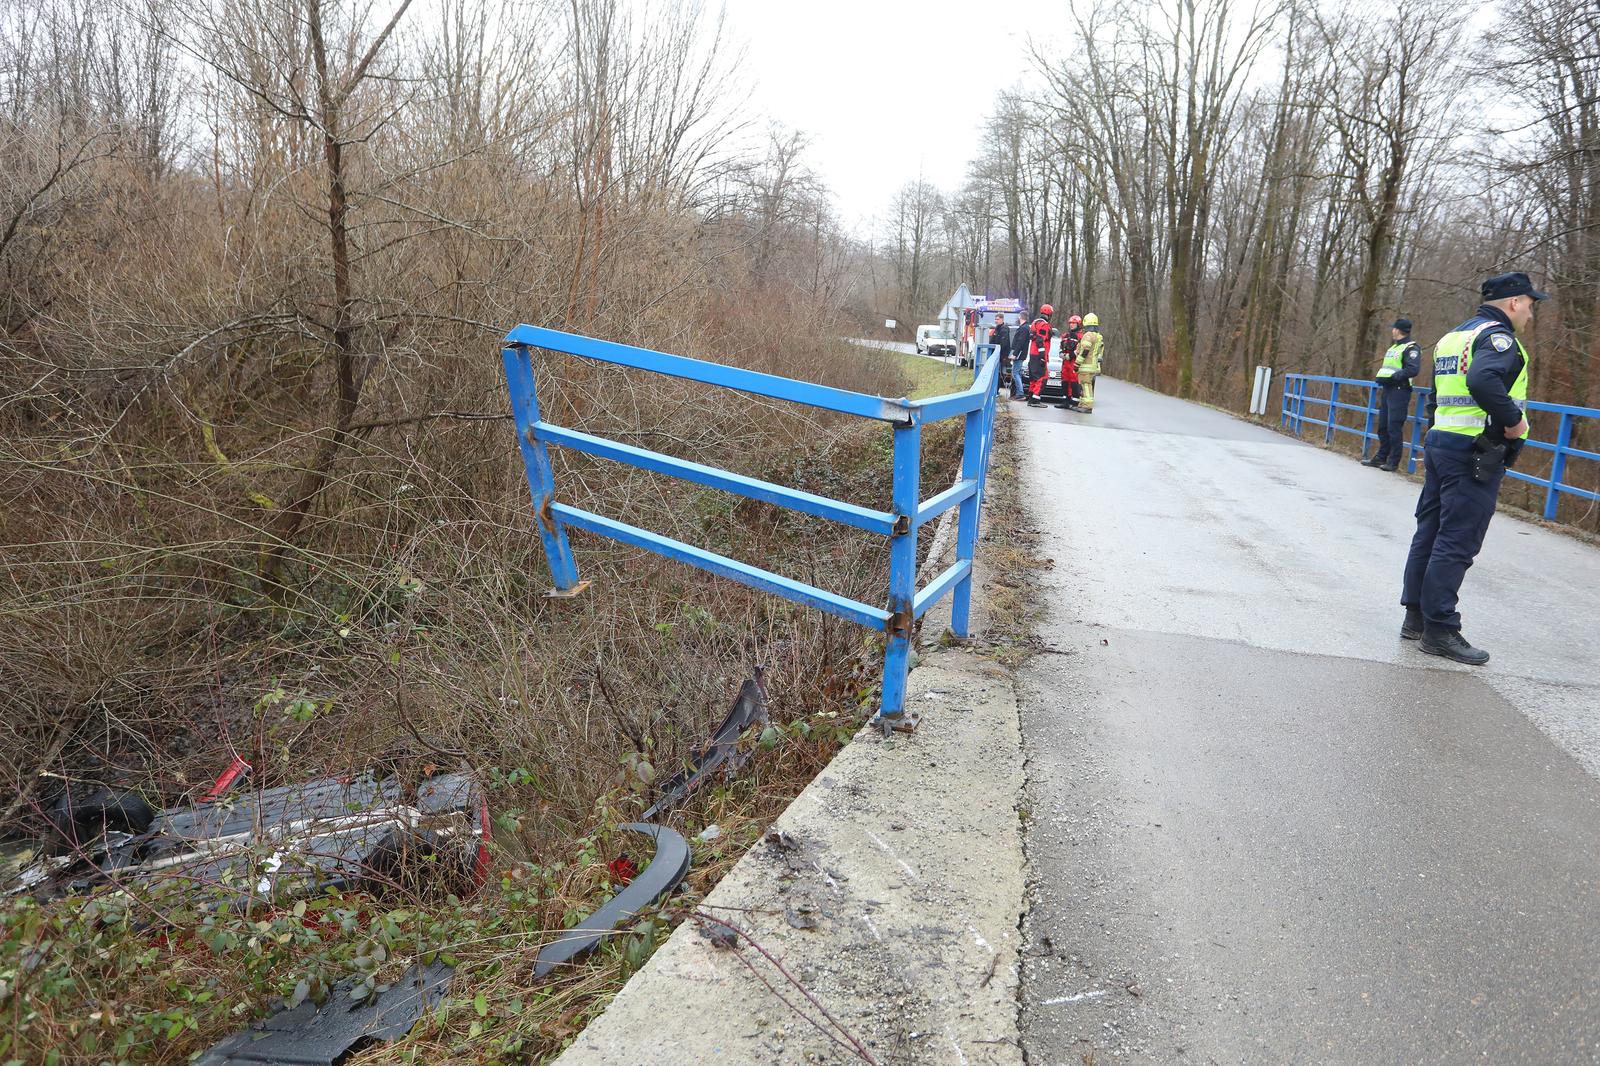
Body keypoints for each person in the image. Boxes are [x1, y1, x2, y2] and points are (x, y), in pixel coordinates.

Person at [1399, 272, 1544, 665]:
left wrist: (1435, 434)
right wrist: (1514, 422)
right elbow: (1482, 381)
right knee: (1457, 539)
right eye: (1529, 306)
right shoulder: (1498, 338)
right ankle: (1440, 629)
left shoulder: (1453, 337)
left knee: (1429, 531)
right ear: (1514, 302)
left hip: (1442, 443)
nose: (1530, 315)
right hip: (1474, 449)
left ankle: (1416, 617)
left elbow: (1435, 396)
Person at [1361, 318, 1422, 470]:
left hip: (1400, 390)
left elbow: (1413, 369)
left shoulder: (1411, 348)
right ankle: (1381, 457)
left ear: (1398, 330)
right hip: (1388, 389)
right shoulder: (1394, 347)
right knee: (1383, 426)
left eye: (1394, 328)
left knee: (1394, 426)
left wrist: (1394, 377)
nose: (1392, 331)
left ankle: (1393, 462)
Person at [1025, 304, 1054, 407]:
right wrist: (1042, 356)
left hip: (1033, 354)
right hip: (1039, 355)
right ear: (1049, 314)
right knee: (1042, 377)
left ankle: (1031, 398)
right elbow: (1040, 340)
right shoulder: (1044, 325)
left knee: (1034, 378)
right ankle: (1035, 400)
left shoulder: (1035, 323)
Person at [1074, 312, 1103, 412]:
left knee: (1086, 385)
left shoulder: (1088, 335)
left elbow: (1085, 351)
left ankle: (1087, 406)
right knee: (1084, 385)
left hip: (1085, 366)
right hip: (1092, 366)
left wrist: (1077, 363)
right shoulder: (1098, 336)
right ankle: (1082, 404)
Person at [989, 314, 1018, 396]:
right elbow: (993, 341)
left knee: (998, 373)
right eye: (995, 319)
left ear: (1002, 319)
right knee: (996, 373)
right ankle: (995, 390)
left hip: (1001, 355)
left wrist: (1000, 354)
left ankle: (996, 390)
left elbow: (1003, 343)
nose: (996, 321)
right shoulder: (997, 328)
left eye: (997, 319)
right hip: (996, 354)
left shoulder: (1004, 329)